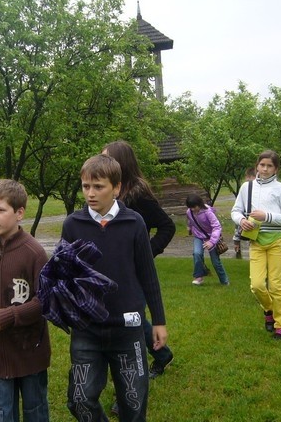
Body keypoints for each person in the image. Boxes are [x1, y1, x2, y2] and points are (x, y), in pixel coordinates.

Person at [61, 154, 167, 421]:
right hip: (87, 330)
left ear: (117, 188)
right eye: (86, 186)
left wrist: (158, 320)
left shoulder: (134, 223)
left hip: (127, 329)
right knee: (79, 399)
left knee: (133, 403)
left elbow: (148, 274)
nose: (90, 193)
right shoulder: (73, 225)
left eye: (98, 187)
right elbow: (65, 274)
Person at [0, 179, 50, 422]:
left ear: (19, 213)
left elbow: (44, 301)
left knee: (35, 412)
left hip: (29, 352)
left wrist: (6, 317)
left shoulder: (34, 253)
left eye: (1, 210)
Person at [102, 140, 175, 381]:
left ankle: (132, 380)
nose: (103, 163)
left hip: (134, 271)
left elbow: (167, 226)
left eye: (107, 158)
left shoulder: (138, 195)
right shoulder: (108, 193)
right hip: (113, 269)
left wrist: (147, 252)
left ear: (121, 163)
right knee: (131, 317)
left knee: (132, 318)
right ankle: (162, 354)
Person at [231, 150, 281, 340]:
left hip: (277, 241)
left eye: (269, 166)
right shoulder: (247, 187)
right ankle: (269, 309)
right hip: (256, 241)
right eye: (262, 165)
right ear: (257, 166)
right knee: (257, 285)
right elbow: (236, 210)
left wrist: (266, 216)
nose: (265, 169)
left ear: (276, 169)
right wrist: (241, 220)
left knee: (275, 285)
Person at [186, 193, 230, 286]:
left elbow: (217, 227)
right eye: (190, 207)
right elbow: (190, 220)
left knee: (215, 261)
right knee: (197, 254)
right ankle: (199, 277)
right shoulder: (189, 212)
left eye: (194, 207)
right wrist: (189, 227)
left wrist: (212, 241)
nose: (193, 209)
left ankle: (224, 281)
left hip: (211, 237)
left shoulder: (208, 212)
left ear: (199, 204)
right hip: (198, 236)